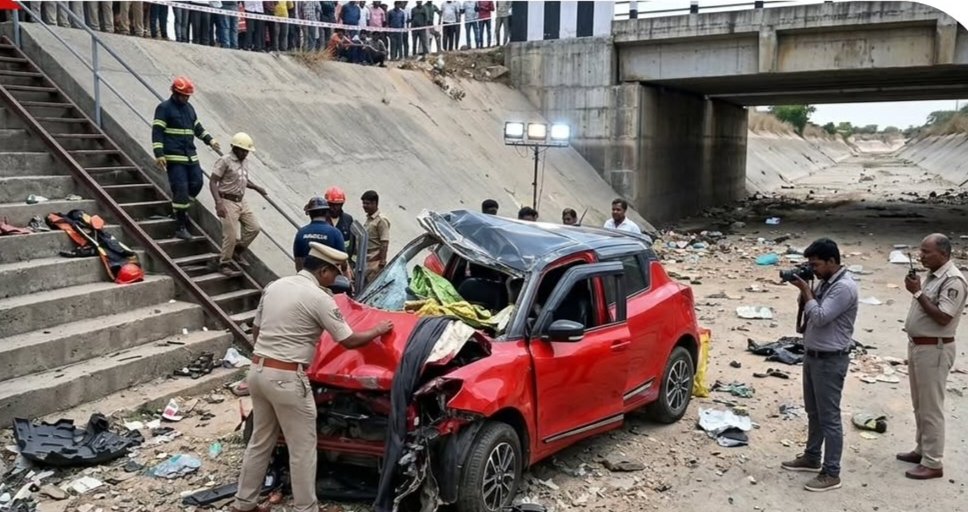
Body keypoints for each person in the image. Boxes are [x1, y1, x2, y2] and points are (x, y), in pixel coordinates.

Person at [232, 242, 393, 512]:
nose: (337, 278)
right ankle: (306, 508)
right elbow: (349, 340)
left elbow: (257, 331)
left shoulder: (275, 286)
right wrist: (378, 329)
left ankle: (243, 503)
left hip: (257, 372)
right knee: (303, 448)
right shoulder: (319, 298)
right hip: (287, 377)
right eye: (335, 273)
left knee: (260, 441)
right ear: (323, 271)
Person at [781, 238, 858, 492]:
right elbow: (810, 314)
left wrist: (806, 290)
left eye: (815, 264)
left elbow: (821, 317)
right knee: (813, 412)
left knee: (830, 418)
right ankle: (812, 456)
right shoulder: (826, 281)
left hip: (830, 360)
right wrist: (805, 294)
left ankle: (831, 472)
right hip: (814, 355)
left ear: (832, 261)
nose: (812, 269)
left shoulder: (843, 287)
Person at [897, 233, 967, 480]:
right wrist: (918, 290)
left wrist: (917, 293)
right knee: (919, 403)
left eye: (927, 252)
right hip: (919, 346)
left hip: (935, 349)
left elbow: (944, 317)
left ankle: (933, 462)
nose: (921, 256)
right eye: (921, 251)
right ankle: (922, 450)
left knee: (931, 407)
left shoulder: (953, 280)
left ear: (944, 254)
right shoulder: (933, 276)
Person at [151, 76, 221, 240]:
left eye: (188, 96)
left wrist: (210, 140)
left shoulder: (189, 108)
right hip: (175, 157)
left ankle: (179, 211)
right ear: (175, 93)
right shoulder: (164, 108)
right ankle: (180, 227)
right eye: (184, 96)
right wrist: (159, 154)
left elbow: (197, 127)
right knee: (181, 189)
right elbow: (157, 132)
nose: (186, 99)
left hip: (190, 156)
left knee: (197, 183)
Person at [209, 132, 266, 273]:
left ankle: (236, 251)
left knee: (254, 228)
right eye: (244, 151)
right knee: (230, 235)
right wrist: (218, 203)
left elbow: (243, 179)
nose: (246, 154)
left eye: (247, 151)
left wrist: (256, 187)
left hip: (241, 200)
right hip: (227, 200)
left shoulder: (245, 161)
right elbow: (213, 182)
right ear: (235, 148)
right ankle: (224, 264)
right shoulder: (225, 161)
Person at [293, 197, 346, 272]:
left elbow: (298, 261)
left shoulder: (301, 233)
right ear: (327, 213)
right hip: (328, 276)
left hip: (307, 275)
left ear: (310, 213)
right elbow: (343, 261)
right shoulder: (335, 233)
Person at [361, 190, 390, 283]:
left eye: (367, 203)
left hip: (374, 262)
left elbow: (384, 242)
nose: (364, 206)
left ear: (374, 203)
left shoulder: (381, 220)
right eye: (363, 203)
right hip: (366, 260)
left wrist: (381, 263)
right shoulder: (369, 218)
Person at [324, 186, 356, 257]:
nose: (334, 208)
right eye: (331, 205)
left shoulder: (348, 219)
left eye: (337, 205)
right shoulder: (321, 219)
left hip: (342, 258)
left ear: (341, 205)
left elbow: (353, 244)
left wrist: (351, 261)